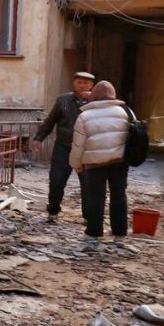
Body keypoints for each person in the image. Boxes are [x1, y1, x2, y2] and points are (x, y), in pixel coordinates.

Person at [68, 80, 131, 239]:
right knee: (119, 195)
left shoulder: (84, 116)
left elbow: (78, 144)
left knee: (95, 196)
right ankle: (119, 232)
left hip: (94, 163)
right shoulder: (125, 112)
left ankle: (94, 231)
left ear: (94, 96)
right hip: (119, 161)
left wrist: (76, 163)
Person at [33, 71, 96, 221]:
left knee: (88, 184)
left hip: (87, 149)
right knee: (57, 180)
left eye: (86, 83)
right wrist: (39, 138)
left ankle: (88, 217)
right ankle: (53, 211)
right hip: (64, 146)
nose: (82, 86)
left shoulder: (96, 102)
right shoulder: (63, 100)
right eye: (79, 82)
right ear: (74, 83)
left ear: (92, 85)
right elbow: (50, 120)